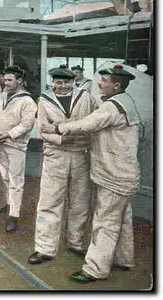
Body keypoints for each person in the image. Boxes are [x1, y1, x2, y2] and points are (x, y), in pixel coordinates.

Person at [41, 64, 140, 283]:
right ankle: (123, 259)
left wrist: (56, 128)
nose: (99, 84)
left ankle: (95, 269)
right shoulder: (125, 102)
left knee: (105, 222)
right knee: (121, 218)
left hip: (114, 175)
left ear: (116, 85)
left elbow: (88, 123)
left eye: (103, 81)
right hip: (124, 173)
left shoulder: (111, 106)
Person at [28, 65, 97, 265]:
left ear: (73, 81)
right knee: (50, 202)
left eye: (67, 82)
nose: (63, 86)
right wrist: (60, 140)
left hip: (81, 155)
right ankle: (45, 249)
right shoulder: (44, 100)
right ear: (53, 82)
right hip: (55, 155)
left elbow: (94, 120)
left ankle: (75, 242)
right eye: (59, 82)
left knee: (80, 201)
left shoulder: (85, 96)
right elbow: (42, 129)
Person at [0, 65, 37, 232]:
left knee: (16, 180)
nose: (6, 82)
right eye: (5, 79)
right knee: (4, 176)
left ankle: (14, 216)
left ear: (19, 81)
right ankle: (9, 203)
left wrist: (8, 134)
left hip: (16, 144)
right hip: (0, 143)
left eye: (10, 80)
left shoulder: (27, 100)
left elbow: (26, 124)